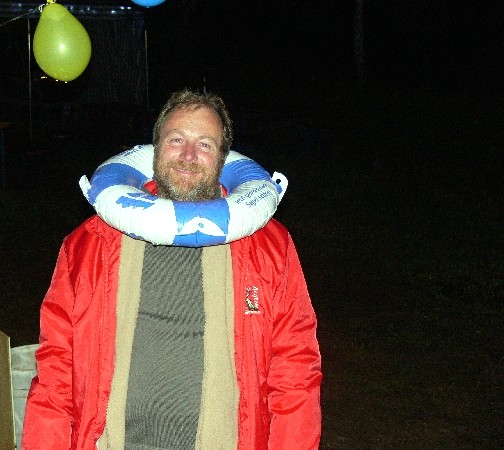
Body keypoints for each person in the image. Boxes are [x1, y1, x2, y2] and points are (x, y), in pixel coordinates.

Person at [22, 88, 322, 449]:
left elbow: (295, 373)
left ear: (224, 160)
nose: (188, 155)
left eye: (205, 144)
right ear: (154, 151)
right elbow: (56, 372)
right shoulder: (89, 244)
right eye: (176, 139)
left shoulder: (269, 246)